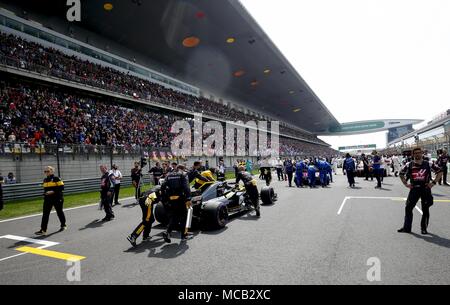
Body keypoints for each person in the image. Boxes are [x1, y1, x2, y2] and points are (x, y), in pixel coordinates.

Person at [398, 147, 443, 235]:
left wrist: (433, 183)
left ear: (422, 153)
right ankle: (407, 228)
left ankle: (424, 228)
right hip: (414, 189)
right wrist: (405, 184)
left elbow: (440, 171)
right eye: (415, 153)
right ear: (413, 154)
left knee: (425, 209)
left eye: (419, 152)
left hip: (425, 189)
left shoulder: (428, 164)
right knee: (408, 208)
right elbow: (401, 173)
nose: (417, 154)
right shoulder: (409, 164)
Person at [161, 165, 192, 243]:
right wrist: (188, 198)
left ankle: (167, 232)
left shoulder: (168, 175)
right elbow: (186, 187)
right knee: (184, 217)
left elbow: (162, 186)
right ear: (182, 169)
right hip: (181, 198)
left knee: (174, 216)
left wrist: (165, 199)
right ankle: (184, 236)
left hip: (171, 199)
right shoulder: (183, 174)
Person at [35, 166, 66, 235]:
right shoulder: (45, 180)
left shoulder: (56, 178)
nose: (46, 173)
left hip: (57, 198)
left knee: (59, 212)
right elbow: (46, 190)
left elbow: (62, 188)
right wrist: (45, 193)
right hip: (48, 199)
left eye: (48, 171)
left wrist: (53, 191)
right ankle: (43, 230)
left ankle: (63, 225)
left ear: (52, 171)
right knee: (45, 214)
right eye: (45, 171)